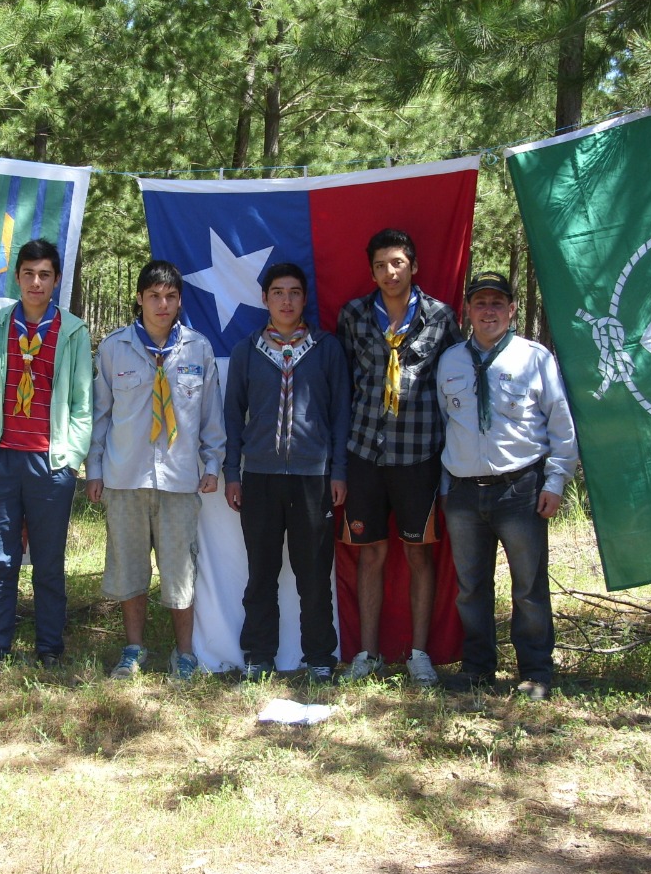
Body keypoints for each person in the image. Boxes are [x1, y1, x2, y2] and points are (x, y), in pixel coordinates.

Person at [437, 271, 578, 700]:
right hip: (464, 493)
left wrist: (556, 481)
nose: (489, 311)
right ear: (468, 310)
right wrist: (445, 487)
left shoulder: (534, 358)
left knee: (529, 587)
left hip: (520, 489)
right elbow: (445, 425)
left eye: (497, 303)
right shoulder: (450, 361)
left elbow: (561, 423)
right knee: (470, 588)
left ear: (512, 309)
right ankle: (478, 669)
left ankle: (535, 672)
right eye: (480, 303)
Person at [86, 260, 224, 681]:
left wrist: (213, 462)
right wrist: (94, 469)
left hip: (179, 480)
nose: (162, 305)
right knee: (129, 567)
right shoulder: (115, 348)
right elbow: (100, 415)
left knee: (180, 571)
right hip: (125, 477)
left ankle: (185, 654)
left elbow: (210, 415)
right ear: (140, 299)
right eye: (154, 296)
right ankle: (133, 649)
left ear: (180, 301)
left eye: (170, 297)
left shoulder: (197, 349)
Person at [336, 229, 463, 683]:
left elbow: (455, 379)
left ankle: (420, 653)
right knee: (370, 553)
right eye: (380, 265)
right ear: (371, 272)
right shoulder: (354, 315)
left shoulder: (440, 317)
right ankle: (367, 653)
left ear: (414, 266)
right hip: (364, 451)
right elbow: (344, 380)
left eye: (397, 263)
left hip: (418, 453)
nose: (389, 272)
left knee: (418, 554)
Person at [0, 239, 92, 670]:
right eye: (28, 274)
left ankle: (49, 647)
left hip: (49, 463)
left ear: (56, 280)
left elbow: (82, 403)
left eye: (44, 275)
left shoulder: (72, 331)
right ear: (17, 278)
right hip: (0, 459)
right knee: (0, 560)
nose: (36, 282)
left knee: (49, 562)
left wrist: (71, 459)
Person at [224, 263, 349, 684]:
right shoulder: (247, 350)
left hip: (313, 476)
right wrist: (232, 472)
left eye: (295, 292)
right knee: (261, 571)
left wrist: (338, 470)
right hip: (260, 475)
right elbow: (232, 416)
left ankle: (320, 655)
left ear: (304, 298)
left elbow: (340, 415)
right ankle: (259, 654)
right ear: (264, 299)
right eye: (278, 292)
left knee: (313, 572)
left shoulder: (326, 349)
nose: (286, 300)